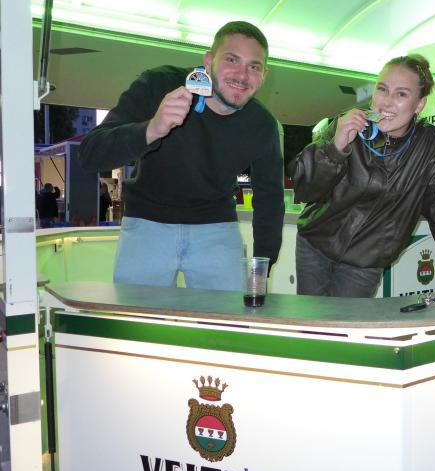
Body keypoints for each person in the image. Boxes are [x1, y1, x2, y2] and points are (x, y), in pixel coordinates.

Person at [79, 21, 284, 291]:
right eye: (232, 60)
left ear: (264, 75)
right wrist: (152, 129)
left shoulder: (262, 124)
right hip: (147, 224)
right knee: (136, 315)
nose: (242, 75)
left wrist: (262, 268)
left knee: (227, 315)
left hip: (217, 228)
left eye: (254, 66)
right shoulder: (159, 85)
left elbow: (270, 197)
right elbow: (90, 154)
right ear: (209, 61)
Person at [289, 54, 435, 297]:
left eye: (401, 94)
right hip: (314, 246)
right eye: (382, 89)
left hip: (365, 262)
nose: (386, 102)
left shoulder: (428, 146)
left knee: (346, 321)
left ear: (419, 104)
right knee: (311, 319)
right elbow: (305, 189)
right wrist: (335, 148)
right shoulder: (349, 124)